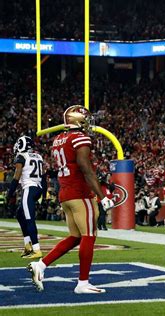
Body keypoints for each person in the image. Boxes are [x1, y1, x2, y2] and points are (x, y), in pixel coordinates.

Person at [28, 105, 115, 294]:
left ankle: (41, 265)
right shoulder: (80, 138)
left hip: (65, 194)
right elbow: (85, 167)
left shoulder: (58, 139)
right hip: (80, 193)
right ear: (78, 120)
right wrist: (102, 195)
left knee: (76, 237)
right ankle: (83, 283)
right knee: (89, 236)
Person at [7, 136, 46, 259]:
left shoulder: (21, 157)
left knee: (29, 219)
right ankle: (27, 245)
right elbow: (44, 177)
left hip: (29, 188)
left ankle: (36, 249)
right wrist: (44, 195)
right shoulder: (38, 156)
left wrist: (9, 193)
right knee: (20, 214)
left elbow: (16, 176)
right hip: (38, 188)